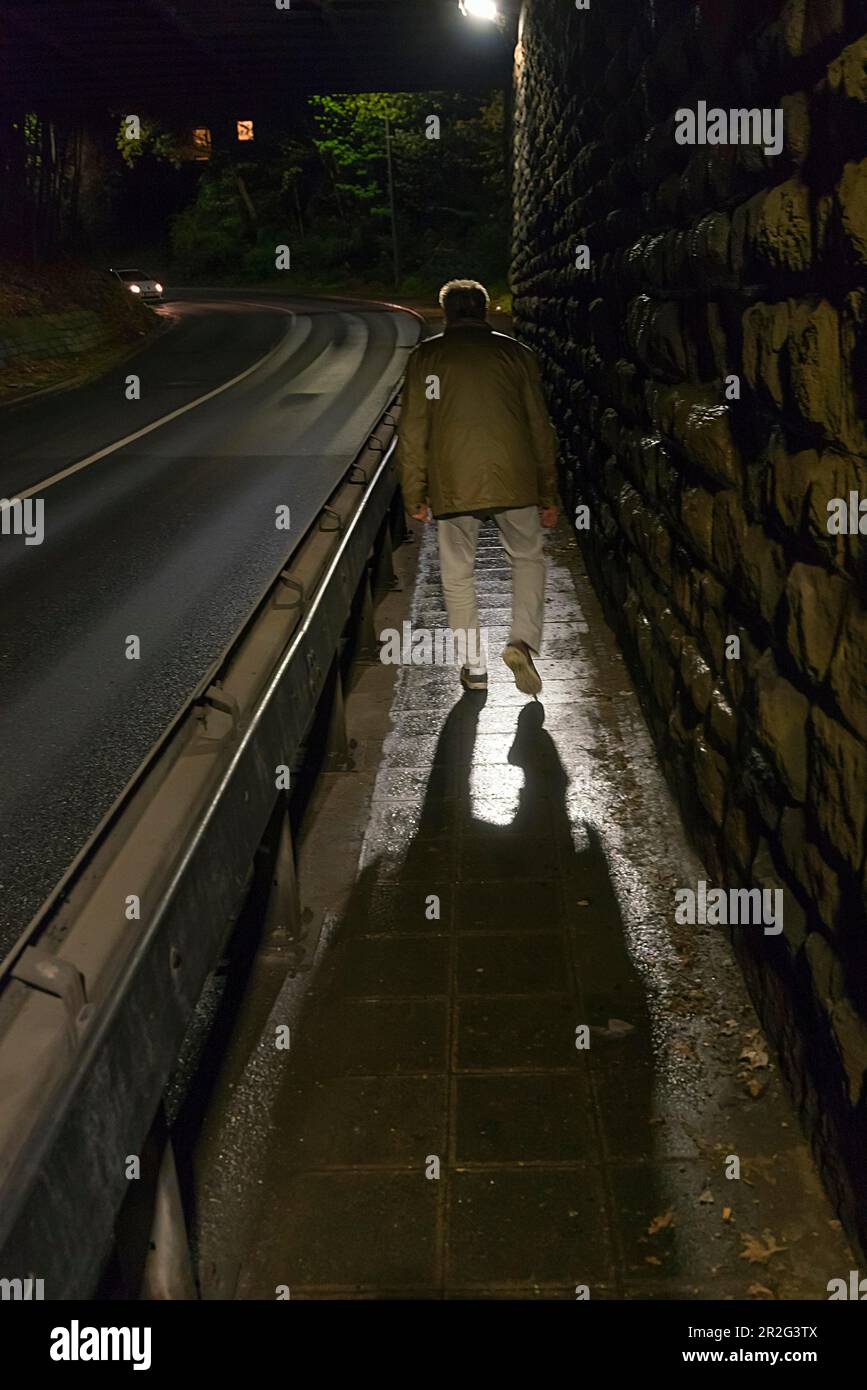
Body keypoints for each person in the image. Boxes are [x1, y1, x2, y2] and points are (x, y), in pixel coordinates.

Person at [396, 278, 559, 695]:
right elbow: (540, 426)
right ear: (484, 311)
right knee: (527, 558)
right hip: (515, 474)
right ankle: (521, 640)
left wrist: (414, 492)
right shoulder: (517, 355)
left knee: (457, 573)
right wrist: (548, 490)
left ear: (447, 313)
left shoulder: (426, 357)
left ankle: (474, 667)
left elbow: (414, 429)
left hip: (453, 481)